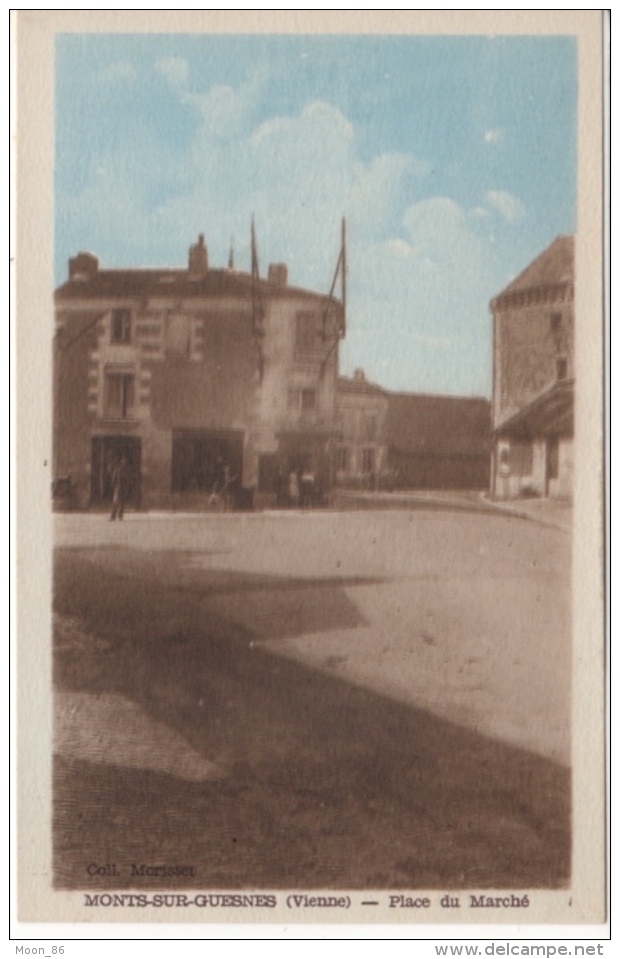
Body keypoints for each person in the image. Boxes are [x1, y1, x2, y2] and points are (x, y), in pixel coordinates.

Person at [110, 456, 128, 521]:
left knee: (122, 502)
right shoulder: (118, 469)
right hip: (118, 486)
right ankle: (113, 516)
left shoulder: (126, 470)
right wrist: (114, 486)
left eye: (125, 461)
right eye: (123, 461)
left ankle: (120, 516)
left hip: (123, 486)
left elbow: (128, 479)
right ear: (121, 461)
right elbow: (114, 478)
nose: (124, 462)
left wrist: (126, 487)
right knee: (116, 501)